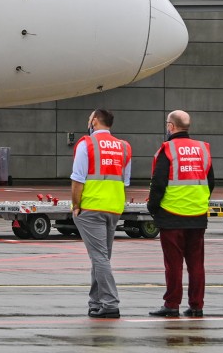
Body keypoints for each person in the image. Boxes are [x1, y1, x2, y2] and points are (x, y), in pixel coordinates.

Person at [147, 110, 214, 318]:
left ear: (171, 126)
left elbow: (158, 183)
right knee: (196, 264)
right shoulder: (203, 149)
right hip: (197, 215)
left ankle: (172, 305)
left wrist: (153, 208)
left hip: (172, 215)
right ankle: (196, 306)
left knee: (173, 265)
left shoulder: (167, 149)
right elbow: (210, 182)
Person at [70, 109, 131, 319]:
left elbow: (78, 179)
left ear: (95, 121)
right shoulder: (124, 146)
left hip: (91, 206)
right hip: (114, 207)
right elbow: (125, 181)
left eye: (89, 119)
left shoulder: (86, 144)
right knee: (102, 257)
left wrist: (75, 205)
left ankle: (110, 303)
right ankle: (96, 302)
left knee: (99, 258)